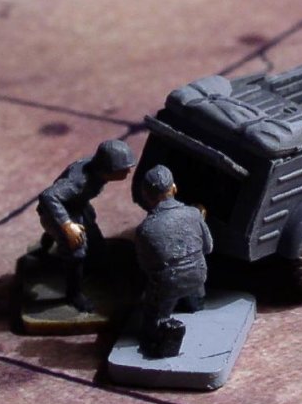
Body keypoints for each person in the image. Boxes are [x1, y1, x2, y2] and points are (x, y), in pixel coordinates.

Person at [37, 139, 136, 312]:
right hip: (56, 212)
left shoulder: (96, 167)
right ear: (108, 169)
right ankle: (74, 295)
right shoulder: (79, 182)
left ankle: (88, 266)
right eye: (123, 168)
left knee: (97, 244)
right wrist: (67, 226)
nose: (128, 171)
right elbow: (48, 196)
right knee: (76, 252)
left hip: (77, 206)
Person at [135, 164, 212, 357]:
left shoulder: (145, 229)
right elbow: (208, 247)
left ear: (146, 195)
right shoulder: (194, 214)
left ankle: (161, 331)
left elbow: (146, 266)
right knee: (193, 279)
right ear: (174, 188)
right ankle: (196, 305)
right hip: (198, 275)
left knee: (153, 312)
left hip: (168, 282)